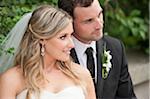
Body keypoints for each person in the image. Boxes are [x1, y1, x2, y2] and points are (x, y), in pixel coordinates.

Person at [0, 5, 96, 99]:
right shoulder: (11, 79)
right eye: (63, 37)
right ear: (42, 39)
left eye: (71, 35)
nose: (72, 45)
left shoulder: (81, 74)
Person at [58, 0, 137, 99]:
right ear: (69, 22)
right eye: (89, 20)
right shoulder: (58, 53)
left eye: (100, 14)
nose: (99, 25)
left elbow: (127, 96)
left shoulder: (115, 47)